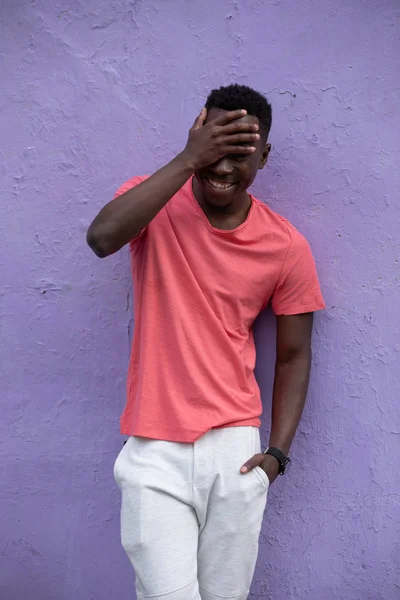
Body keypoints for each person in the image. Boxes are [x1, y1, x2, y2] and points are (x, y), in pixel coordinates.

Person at [87, 84, 325, 600]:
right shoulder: (154, 204)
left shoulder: (286, 246)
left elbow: (294, 354)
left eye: (238, 154)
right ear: (195, 139)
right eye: (213, 149)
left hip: (235, 453)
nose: (222, 168)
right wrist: (187, 159)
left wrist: (276, 456)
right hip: (154, 449)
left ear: (263, 156)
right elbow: (102, 237)